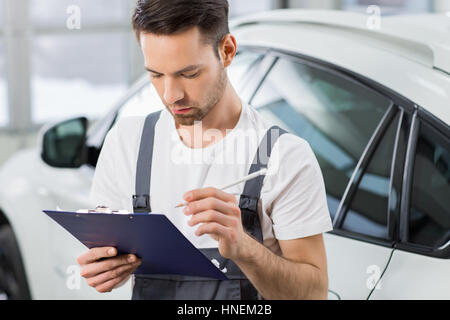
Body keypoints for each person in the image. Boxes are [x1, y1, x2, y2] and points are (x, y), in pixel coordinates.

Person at [76, 0, 333, 300]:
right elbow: (110, 258)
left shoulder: (284, 157)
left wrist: (246, 249)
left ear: (227, 51)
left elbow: (313, 295)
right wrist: (108, 268)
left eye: (189, 73)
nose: (171, 95)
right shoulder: (126, 142)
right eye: (156, 75)